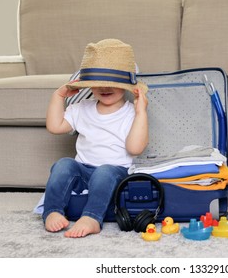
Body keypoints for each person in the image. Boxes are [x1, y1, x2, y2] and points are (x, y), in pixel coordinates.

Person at [42, 39, 148, 238]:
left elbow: (135, 148)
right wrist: (59, 96)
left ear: (126, 85)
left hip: (116, 172)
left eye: (112, 83)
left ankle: (92, 217)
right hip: (84, 169)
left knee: (104, 171)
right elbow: (55, 127)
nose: (104, 87)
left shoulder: (131, 113)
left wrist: (141, 112)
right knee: (63, 164)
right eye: (97, 83)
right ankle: (52, 211)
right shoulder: (82, 108)